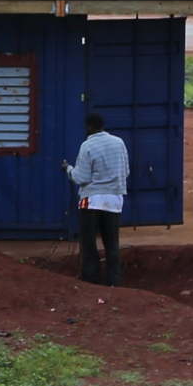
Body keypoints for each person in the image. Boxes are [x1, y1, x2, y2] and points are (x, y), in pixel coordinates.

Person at [61, 112, 130, 287]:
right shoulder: (119, 142)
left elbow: (81, 177)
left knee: (89, 241)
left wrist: (68, 169)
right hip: (114, 200)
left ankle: (91, 279)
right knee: (112, 242)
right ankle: (114, 280)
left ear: (90, 127)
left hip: (92, 200)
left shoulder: (88, 145)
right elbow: (126, 171)